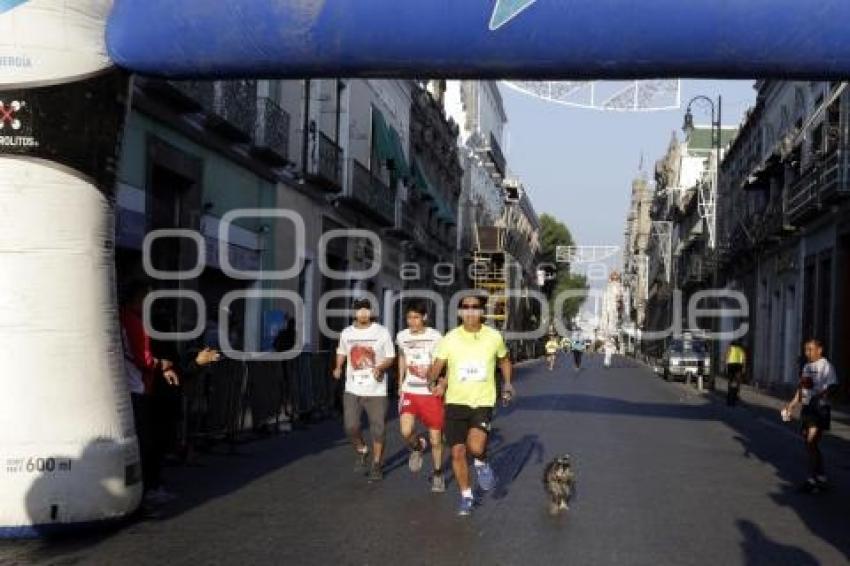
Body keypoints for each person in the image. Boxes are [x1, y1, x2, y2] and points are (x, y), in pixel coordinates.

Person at [428, 293, 514, 516]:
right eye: (465, 307)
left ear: (482, 311)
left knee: (475, 447)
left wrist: (507, 384)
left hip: (482, 401)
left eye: (475, 307)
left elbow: (504, 360)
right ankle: (466, 496)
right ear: (459, 312)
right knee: (457, 453)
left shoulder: (494, 337)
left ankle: (482, 461)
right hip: (455, 401)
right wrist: (432, 379)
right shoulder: (450, 338)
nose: (470, 311)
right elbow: (438, 365)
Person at [120, 280, 181, 508]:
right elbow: (143, 358)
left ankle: (141, 489)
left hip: (131, 386)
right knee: (146, 443)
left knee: (143, 442)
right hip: (138, 387)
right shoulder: (134, 321)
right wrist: (162, 364)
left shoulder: (123, 317)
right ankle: (146, 491)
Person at [332, 298, 395, 482]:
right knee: (350, 425)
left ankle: (376, 464)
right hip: (353, 387)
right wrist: (338, 367)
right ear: (354, 313)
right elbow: (342, 351)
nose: (363, 313)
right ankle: (362, 450)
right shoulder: (346, 333)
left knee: (378, 429)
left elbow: (391, 357)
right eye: (359, 310)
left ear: (371, 312)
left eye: (366, 309)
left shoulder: (381, 332)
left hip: (376, 389)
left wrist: (380, 368)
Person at [395, 301, 445, 492]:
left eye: (416, 317)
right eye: (409, 317)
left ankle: (438, 473)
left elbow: (441, 361)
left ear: (424, 317)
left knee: (435, 439)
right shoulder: (402, 336)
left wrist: (438, 381)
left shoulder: (435, 336)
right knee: (406, 431)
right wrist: (400, 382)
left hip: (429, 393)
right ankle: (417, 447)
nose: (412, 321)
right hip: (410, 390)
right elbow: (402, 357)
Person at [783, 339, 838, 493]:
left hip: (820, 410)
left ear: (820, 350)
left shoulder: (826, 366)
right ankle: (820, 476)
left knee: (811, 441)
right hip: (807, 409)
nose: (807, 353)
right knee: (810, 444)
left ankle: (811, 480)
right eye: (806, 350)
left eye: (810, 349)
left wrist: (822, 396)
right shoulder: (807, 367)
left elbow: (833, 386)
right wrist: (792, 404)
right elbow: (802, 389)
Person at [725, 341, 746, 406]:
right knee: (738, 381)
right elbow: (744, 359)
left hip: (731, 365)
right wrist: (744, 367)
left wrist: (725, 366)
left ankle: (729, 393)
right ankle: (737, 394)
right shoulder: (741, 349)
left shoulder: (730, 348)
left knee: (730, 380)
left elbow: (726, 357)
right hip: (738, 366)